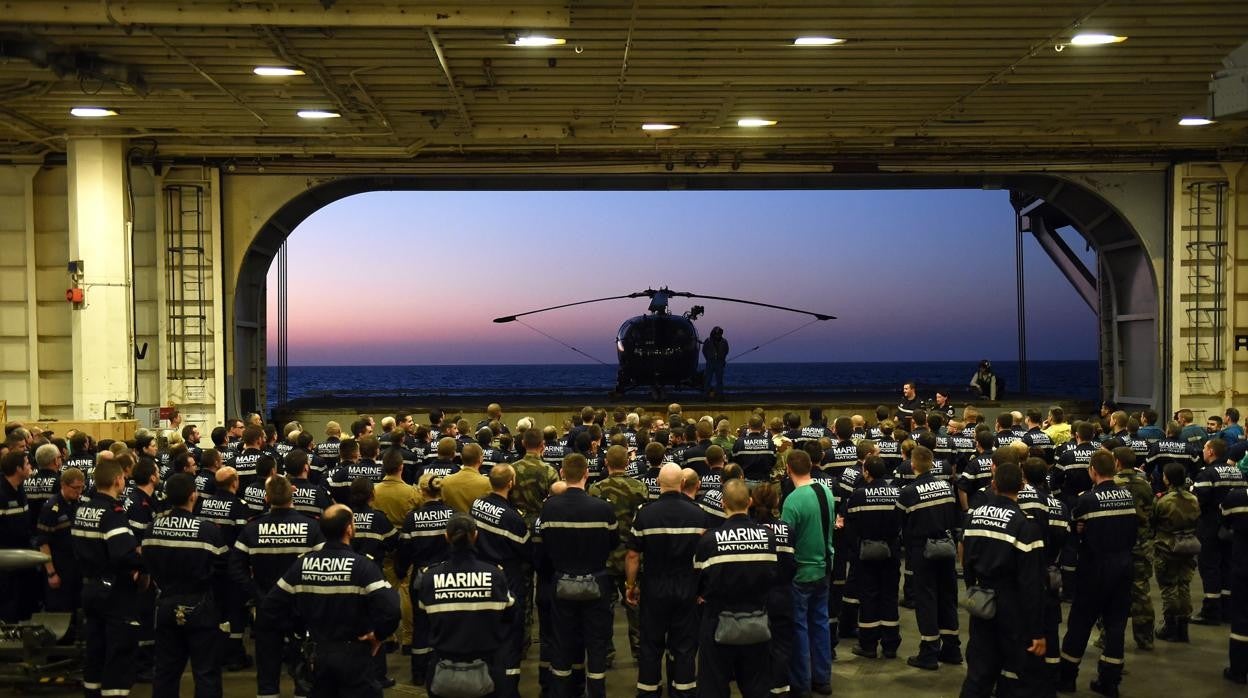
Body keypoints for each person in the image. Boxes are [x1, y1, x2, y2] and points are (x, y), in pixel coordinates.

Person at [262, 504, 401, 698]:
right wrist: (378, 635)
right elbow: (391, 609)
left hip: (317, 653)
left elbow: (270, 605)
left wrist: (297, 632)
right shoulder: (363, 566)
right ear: (349, 529)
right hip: (354, 653)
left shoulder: (303, 564)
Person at [231, 475, 325, 698]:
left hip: (266, 606)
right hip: (302, 607)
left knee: (267, 667)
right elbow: (323, 565)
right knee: (304, 665)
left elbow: (235, 568)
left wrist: (257, 594)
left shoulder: (252, 529)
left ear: (266, 498)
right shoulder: (311, 527)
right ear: (293, 494)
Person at [959, 460, 1047, 698]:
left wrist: (973, 590)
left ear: (993, 484)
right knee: (1013, 670)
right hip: (1012, 605)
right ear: (1021, 486)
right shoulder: (1025, 525)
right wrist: (1037, 631)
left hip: (982, 600)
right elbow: (1031, 582)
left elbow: (965, 560)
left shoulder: (974, 516)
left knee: (978, 669)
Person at [536, 453, 618, 698]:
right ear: (587, 475)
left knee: (561, 643)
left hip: (561, 583)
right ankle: (595, 691)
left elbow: (543, 549)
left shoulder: (549, 509)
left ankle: (563, 691)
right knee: (596, 644)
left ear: (562, 473)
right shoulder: (603, 508)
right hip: (596, 584)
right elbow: (613, 543)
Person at [1058, 450, 1138, 697]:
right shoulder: (1128, 496)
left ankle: (1067, 678)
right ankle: (1110, 681)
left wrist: (1078, 529)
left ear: (1092, 470)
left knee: (1080, 623)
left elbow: (1076, 532)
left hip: (1094, 570)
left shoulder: (1087, 501)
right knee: (1115, 626)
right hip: (1124, 567)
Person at [144, 472, 228, 698]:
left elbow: (146, 563)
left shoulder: (152, 529)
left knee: (165, 671)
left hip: (165, 603)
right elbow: (222, 569)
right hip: (200, 604)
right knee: (206, 671)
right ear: (194, 496)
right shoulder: (208, 531)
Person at [625, 462, 705, 698]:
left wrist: (631, 585)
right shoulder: (699, 515)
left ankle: (649, 692)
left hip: (654, 588)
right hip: (687, 588)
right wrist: (702, 589)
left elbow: (632, 555)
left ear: (658, 484)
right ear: (682, 484)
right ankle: (682, 691)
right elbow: (704, 556)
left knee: (650, 645)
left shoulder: (645, 514)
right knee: (684, 647)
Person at [693, 478, 777, 698]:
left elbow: (698, 584)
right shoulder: (768, 537)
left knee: (714, 686)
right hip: (757, 619)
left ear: (723, 504)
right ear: (749, 502)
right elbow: (773, 576)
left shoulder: (709, 541)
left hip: (718, 621)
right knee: (757, 685)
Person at [416, 513, 515, 696]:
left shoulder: (430, 578)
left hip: (442, 672)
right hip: (488, 671)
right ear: (475, 536)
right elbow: (510, 616)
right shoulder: (494, 575)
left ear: (446, 536)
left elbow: (424, 623)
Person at [73, 457, 144, 697]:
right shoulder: (112, 513)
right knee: (119, 651)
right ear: (117, 480)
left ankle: (92, 692)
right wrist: (142, 560)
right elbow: (123, 555)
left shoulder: (83, 509)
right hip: (114, 591)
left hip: (89, 586)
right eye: (123, 477)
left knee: (95, 649)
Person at [896, 445, 961, 670]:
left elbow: (899, 523)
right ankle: (952, 649)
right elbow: (954, 515)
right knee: (948, 597)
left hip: (922, 551)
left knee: (926, 600)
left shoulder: (908, 493)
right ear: (932, 463)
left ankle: (929, 652)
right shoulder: (946, 486)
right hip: (947, 547)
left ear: (912, 465)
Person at [469, 464, 530, 697]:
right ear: (511, 483)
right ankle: (508, 689)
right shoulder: (512, 518)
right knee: (511, 636)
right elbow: (525, 551)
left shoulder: (477, 504)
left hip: (481, 574)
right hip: (507, 579)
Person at [779, 449, 834, 696]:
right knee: (820, 622)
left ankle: (801, 683)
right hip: (824, 568)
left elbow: (785, 540)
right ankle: (822, 679)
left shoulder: (792, 501)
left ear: (788, 469)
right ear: (810, 466)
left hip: (801, 572)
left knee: (799, 627)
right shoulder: (826, 492)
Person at [588, 445, 648, 664]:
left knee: (604, 607)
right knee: (635, 603)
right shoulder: (639, 488)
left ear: (606, 464)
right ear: (627, 463)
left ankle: (605, 652)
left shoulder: (596, 489)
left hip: (605, 557)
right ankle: (641, 650)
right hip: (633, 555)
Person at [396, 474, 456, 684]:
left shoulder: (413, 518)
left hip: (421, 578)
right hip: (448, 578)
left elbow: (404, 549)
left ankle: (419, 672)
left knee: (421, 625)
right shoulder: (453, 515)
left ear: (422, 491)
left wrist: (401, 570)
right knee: (448, 622)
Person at [844, 455, 903, 659]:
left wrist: (858, 547)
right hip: (891, 552)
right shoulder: (897, 493)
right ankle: (890, 645)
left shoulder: (859, 495)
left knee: (868, 597)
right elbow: (902, 522)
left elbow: (849, 526)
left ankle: (868, 644)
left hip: (866, 553)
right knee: (889, 596)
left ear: (866, 472)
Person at [1192, 437, 1245, 625]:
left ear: (1211, 452)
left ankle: (1211, 611)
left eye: (1205, 449)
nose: (1203, 452)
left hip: (1210, 526)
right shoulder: (1238, 472)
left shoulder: (1207, 474)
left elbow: (1198, 501)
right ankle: (1227, 609)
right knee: (1227, 566)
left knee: (1210, 567)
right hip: (1233, 526)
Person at [1110, 446, 1156, 650]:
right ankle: (1145, 638)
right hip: (1141, 545)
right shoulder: (1145, 485)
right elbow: (1151, 513)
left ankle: (1108, 637)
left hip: (1116, 546)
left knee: (1111, 593)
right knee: (1141, 593)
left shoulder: (1111, 484)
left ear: (1117, 463)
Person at [1152, 462, 1201, 643]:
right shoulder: (1193, 498)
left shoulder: (1163, 500)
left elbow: (1153, 521)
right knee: (1184, 585)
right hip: (1189, 546)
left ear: (1167, 479)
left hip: (1167, 547)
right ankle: (1183, 627)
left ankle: (1170, 626)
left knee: (1169, 587)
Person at [36, 467, 85, 613]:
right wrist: (51, 573)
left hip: (75, 566)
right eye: (75, 488)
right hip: (59, 566)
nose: (79, 492)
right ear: (63, 485)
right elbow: (43, 543)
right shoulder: (51, 508)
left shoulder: (77, 503)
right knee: (60, 611)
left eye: (81, 487)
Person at [0, 450, 33, 623]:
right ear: (18, 469)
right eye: (27, 464)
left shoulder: (20, 489)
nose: (30, 467)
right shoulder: (1, 494)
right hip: (5, 562)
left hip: (22, 555)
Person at [1221, 483, 1248, 685]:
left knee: (1241, 617)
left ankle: (1238, 669)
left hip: (1243, 563)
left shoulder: (1237, 497)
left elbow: (1226, 520)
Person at [441, 443, 492, 513]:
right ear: (480, 459)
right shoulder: (487, 483)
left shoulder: (445, 481)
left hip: (453, 522)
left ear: (461, 457)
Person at [702, 326, 728, 399]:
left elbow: (726, 350)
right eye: (716, 333)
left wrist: (722, 358)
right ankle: (705, 396)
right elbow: (704, 350)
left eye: (719, 333)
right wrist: (708, 359)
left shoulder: (724, 341)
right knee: (708, 380)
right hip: (710, 362)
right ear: (713, 333)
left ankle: (720, 396)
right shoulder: (708, 340)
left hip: (719, 362)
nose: (718, 335)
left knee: (719, 380)